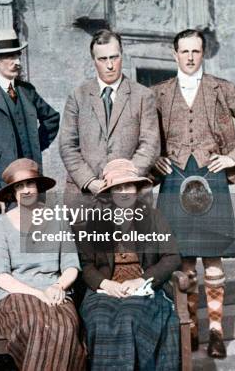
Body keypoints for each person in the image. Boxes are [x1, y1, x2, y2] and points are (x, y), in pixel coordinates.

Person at [153, 29, 235, 358]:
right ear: (174, 54)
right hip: (174, 178)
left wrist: (234, 157)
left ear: (203, 54)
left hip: (210, 177)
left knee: (213, 261)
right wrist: (154, 159)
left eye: (196, 51)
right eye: (184, 51)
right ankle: (190, 330)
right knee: (183, 262)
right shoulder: (158, 94)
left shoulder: (222, 89)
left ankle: (216, 332)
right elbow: (144, 135)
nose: (190, 57)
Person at [79, 159, 181, 370]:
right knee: (100, 318)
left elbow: (172, 256)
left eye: (129, 186)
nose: (124, 193)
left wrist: (142, 280)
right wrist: (105, 284)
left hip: (143, 288)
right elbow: (86, 265)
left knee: (129, 316)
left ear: (136, 189)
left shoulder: (153, 216)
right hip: (106, 289)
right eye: (118, 188)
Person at [0, 158, 86, 371]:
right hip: (13, 295)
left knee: (65, 326)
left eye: (29, 184)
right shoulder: (1, 224)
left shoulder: (58, 219)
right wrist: (37, 294)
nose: (25, 190)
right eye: (19, 186)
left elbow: (71, 265)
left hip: (54, 291)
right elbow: (1, 276)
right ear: (13, 193)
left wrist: (59, 286)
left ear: (38, 187)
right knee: (34, 324)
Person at [0, 28, 60, 214]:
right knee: (9, 235)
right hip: (2, 185)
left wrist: (34, 144)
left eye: (18, 55)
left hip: (31, 182)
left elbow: (52, 118)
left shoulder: (27, 90)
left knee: (35, 233)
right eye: (10, 57)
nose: (17, 62)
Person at [59, 29, 159, 198]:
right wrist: (89, 181)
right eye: (103, 59)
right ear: (94, 60)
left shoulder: (143, 96)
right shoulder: (78, 96)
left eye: (114, 57)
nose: (110, 65)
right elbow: (67, 145)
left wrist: (124, 181)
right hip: (86, 197)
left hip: (129, 196)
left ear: (122, 55)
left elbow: (150, 145)